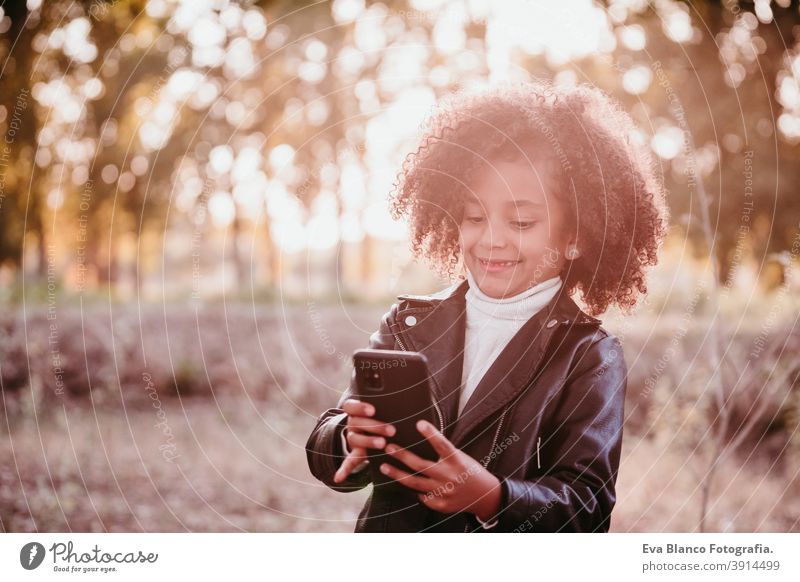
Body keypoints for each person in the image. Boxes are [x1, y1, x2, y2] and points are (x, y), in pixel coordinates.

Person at [305, 80, 669, 532]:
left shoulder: (587, 355)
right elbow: (331, 447)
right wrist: (346, 441)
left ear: (575, 237)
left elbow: (586, 507)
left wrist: (493, 497)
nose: (492, 238)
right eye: (474, 216)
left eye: (520, 221)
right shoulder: (408, 323)